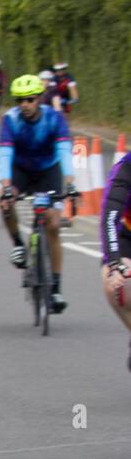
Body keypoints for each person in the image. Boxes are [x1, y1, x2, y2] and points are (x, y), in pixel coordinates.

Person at [0, 74, 76, 312]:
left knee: (53, 224)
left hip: (47, 171)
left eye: (30, 99)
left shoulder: (54, 119)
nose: (24, 105)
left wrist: (70, 183)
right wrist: (6, 185)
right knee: (4, 202)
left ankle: (55, 288)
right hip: (19, 170)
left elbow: (64, 151)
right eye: (19, 100)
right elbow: (4, 154)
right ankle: (18, 243)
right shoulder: (10, 120)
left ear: (39, 99)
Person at [98, 152, 131, 370]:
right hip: (128, 238)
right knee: (118, 286)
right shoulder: (126, 168)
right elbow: (109, 218)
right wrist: (114, 263)